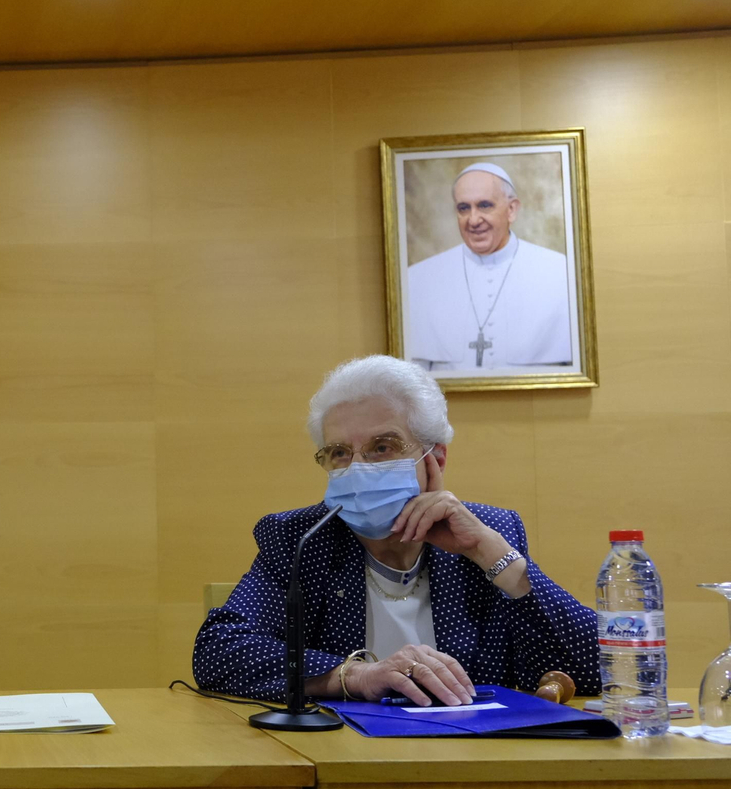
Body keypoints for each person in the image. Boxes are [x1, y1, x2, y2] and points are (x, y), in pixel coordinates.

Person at [192, 355, 598, 705]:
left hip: (477, 763)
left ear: (434, 457)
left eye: (382, 447)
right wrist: (355, 676)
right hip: (343, 761)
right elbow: (218, 652)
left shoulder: (490, 533)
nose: (359, 468)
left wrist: (491, 555)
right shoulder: (300, 539)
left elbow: (599, 665)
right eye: (339, 453)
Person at [404, 162, 573, 371]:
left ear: (511, 210)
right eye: (464, 208)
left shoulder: (561, 273)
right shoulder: (419, 279)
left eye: (484, 205)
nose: (473, 220)